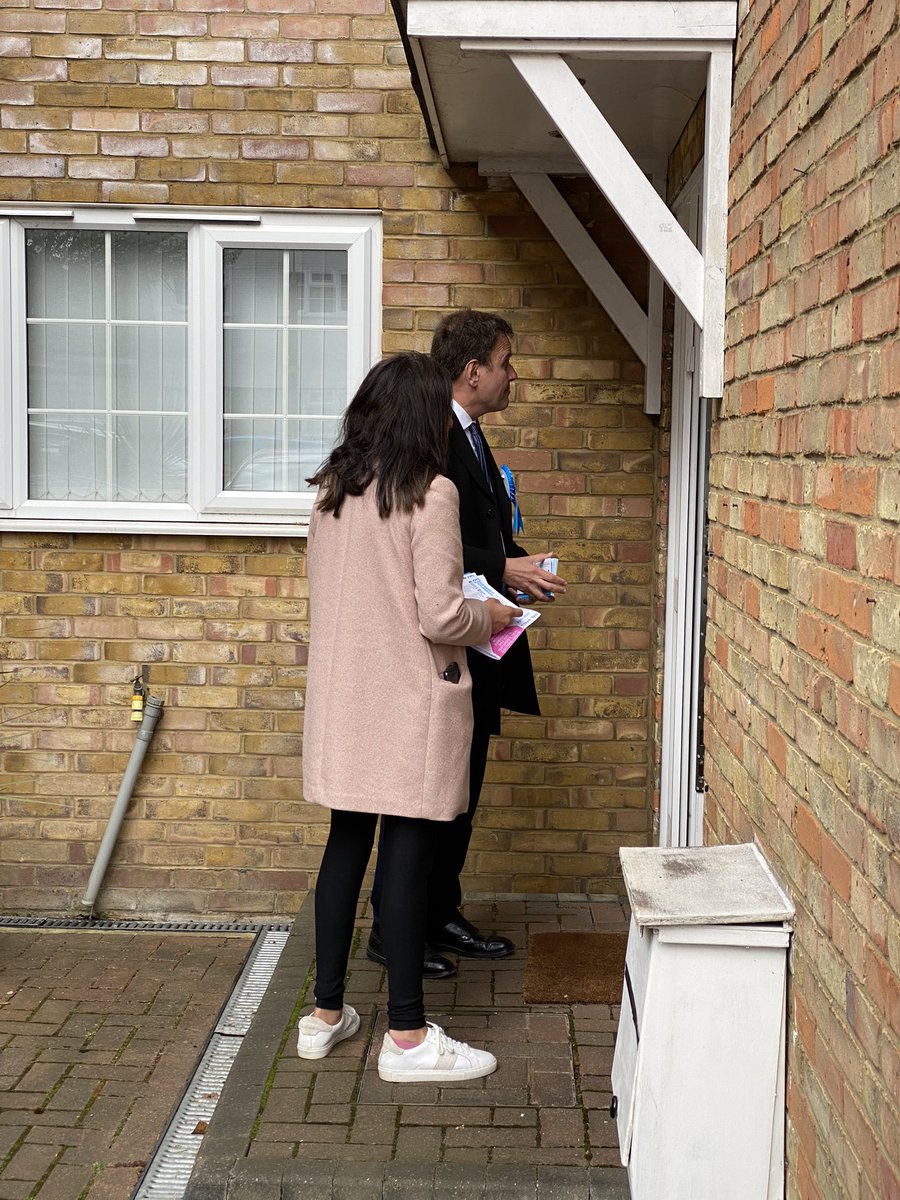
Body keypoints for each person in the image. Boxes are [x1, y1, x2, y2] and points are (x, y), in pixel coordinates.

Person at [298, 350, 520, 1082]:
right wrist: (495, 613)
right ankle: (407, 1037)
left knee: (345, 848)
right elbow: (441, 613)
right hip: (408, 703)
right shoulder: (431, 493)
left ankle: (325, 1015)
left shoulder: (333, 493)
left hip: (345, 704)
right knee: (407, 857)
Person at [367, 311, 566, 978]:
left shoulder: (473, 437)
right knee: (430, 795)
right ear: (471, 370)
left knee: (463, 786)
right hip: (446, 648)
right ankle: (395, 930)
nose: (514, 375)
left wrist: (515, 559)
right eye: (506, 362)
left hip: (481, 647)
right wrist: (499, 564)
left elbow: (473, 530)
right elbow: (421, 532)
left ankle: (440, 912)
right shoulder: (434, 434)